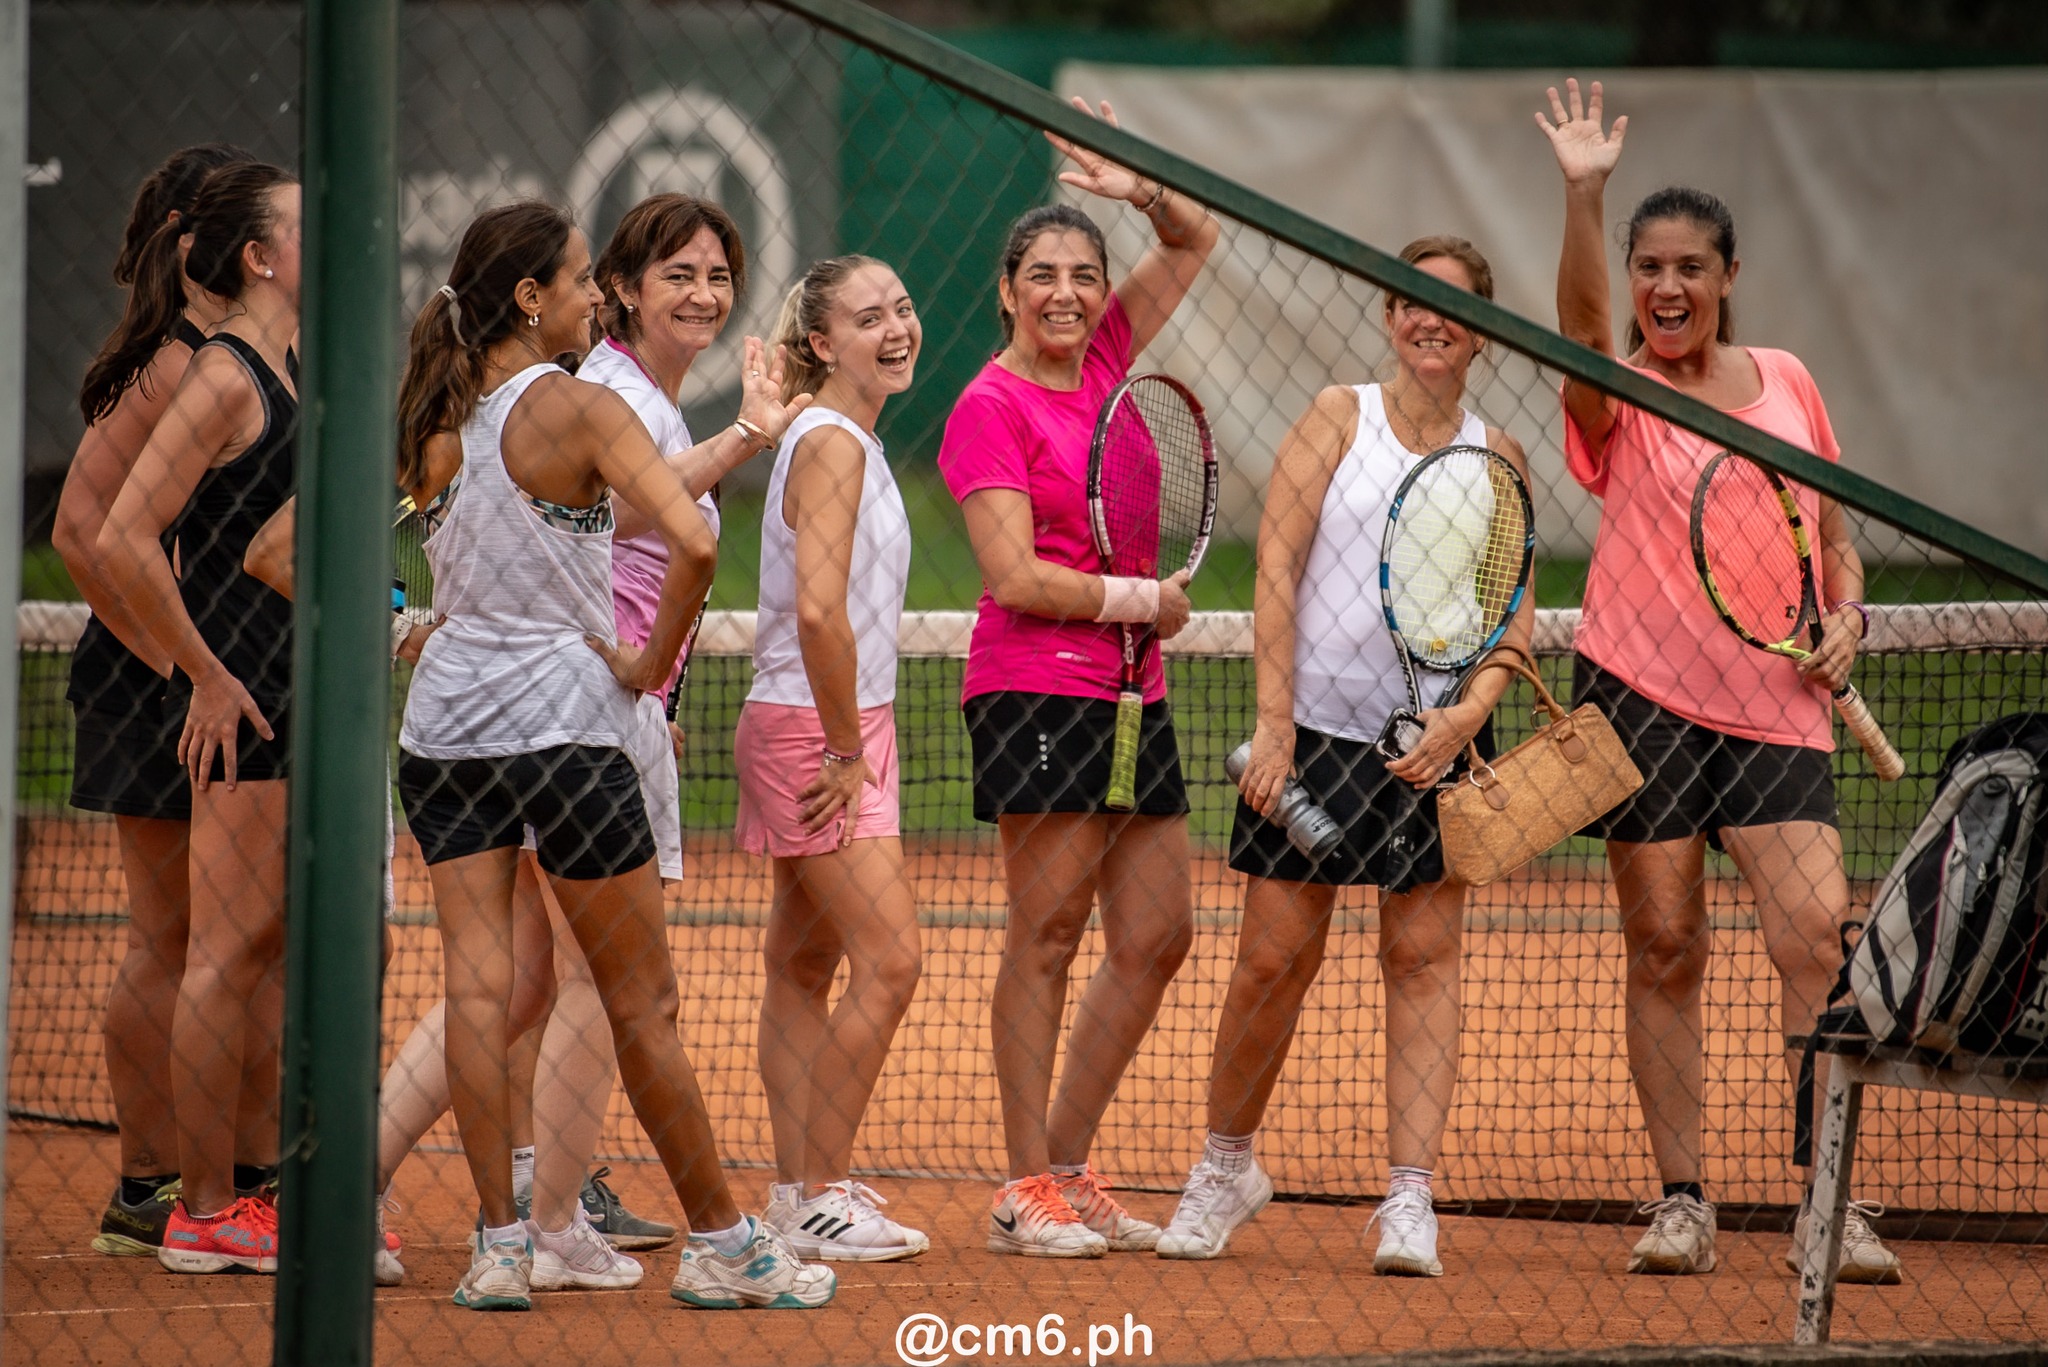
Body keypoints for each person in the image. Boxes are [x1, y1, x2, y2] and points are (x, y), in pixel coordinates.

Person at [394, 199, 831, 1311]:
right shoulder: (582, 405)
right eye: (583, 278)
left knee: (480, 993)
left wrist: (406, 624)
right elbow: (691, 542)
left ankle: (501, 1246)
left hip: (444, 734)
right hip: (568, 728)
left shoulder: (436, 418)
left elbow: (285, 548)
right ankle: (725, 1244)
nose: (595, 296)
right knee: (642, 1003)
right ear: (529, 297)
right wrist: (646, 664)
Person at [1537, 78, 1900, 1283]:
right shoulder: (1618, 391)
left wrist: (1845, 616)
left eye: (1688, 266)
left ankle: (1828, 1201)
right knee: (1663, 942)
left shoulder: (1788, 380)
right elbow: (1577, 330)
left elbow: (1830, 534)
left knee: (1812, 938)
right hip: (1636, 696)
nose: (1666, 286)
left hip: (1775, 706)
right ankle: (1682, 1199)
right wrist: (1581, 199)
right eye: (1647, 266)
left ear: (1726, 275)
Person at [1157, 237, 1533, 1275]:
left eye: (1451, 306)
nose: (1427, 318)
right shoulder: (1337, 416)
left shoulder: (1499, 454)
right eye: (1409, 299)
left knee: (1420, 957)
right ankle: (1224, 1166)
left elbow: (1510, 616)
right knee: (1271, 958)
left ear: (1482, 332)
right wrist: (1274, 720)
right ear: (1387, 316)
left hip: (1434, 742)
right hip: (1313, 730)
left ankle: (1409, 1197)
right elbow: (1275, 565)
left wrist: (1468, 715)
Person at [938, 98, 1218, 1258]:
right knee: (1045, 932)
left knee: (1157, 932)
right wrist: (1136, 601)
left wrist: (1135, 187)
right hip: (1035, 687)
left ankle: (1061, 1162)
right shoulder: (985, 407)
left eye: (1083, 275)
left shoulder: (1106, 359)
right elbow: (1012, 575)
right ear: (1005, 291)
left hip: (1132, 691)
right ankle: (1022, 1187)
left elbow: (1196, 236)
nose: (1065, 293)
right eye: (1042, 275)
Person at [53, 142, 266, 1260]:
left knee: (225, 936)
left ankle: (221, 1172)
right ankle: (148, 1183)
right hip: (158, 688)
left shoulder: (230, 362)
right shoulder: (175, 366)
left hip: (207, 680)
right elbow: (82, 534)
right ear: (200, 244)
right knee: (170, 936)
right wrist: (177, 666)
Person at [97, 161, 301, 1275]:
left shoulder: (292, 365)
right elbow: (124, 532)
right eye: (306, 227)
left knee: (266, 947)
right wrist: (205, 675)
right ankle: (202, 1206)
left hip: (289, 691)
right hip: (243, 700)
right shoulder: (222, 376)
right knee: (221, 953)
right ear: (258, 257)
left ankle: (249, 1191)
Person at [745, 256, 924, 1261]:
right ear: (821, 343)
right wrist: (848, 746)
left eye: (901, 309)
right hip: (818, 728)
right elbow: (818, 610)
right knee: (891, 961)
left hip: (827, 718)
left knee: (802, 962)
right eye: (867, 318)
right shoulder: (829, 444)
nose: (895, 329)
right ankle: (819, 1192)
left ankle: (794, 1194)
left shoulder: (839, 437)